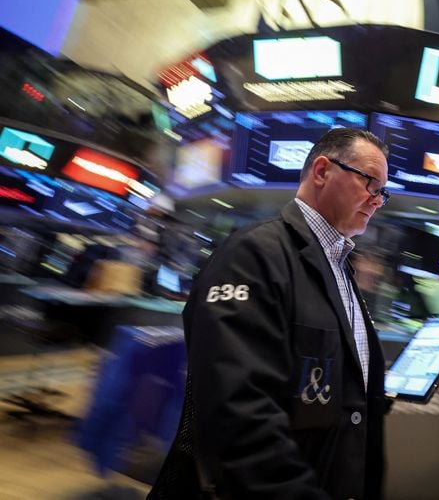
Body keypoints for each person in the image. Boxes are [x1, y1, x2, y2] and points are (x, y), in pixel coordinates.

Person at [148, 128, 392, 499]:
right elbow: (239, 416)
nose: (377, 200)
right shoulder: (251, 255)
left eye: (382, 192)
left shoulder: (340, 268)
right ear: (322, 172)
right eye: (370, 182)